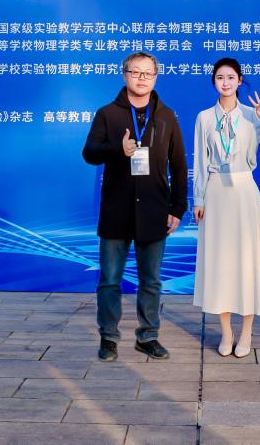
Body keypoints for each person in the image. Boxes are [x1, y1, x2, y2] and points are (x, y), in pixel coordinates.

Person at [82, 52, 188, 362]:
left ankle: (148, 336)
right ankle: (109, 338)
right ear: (124, 74)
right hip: (116, 211)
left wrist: (177, 208)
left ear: (156, 77)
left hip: (154, 210)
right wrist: (118, 149)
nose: (142, 78)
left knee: (151, 280)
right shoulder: (107, 114)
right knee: (109, 280)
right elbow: (89, 152)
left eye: (148, 73)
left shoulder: (167, 117)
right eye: (136, 72)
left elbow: (179, 166)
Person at [192, 58, 260, 358]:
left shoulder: (252, 115)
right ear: (213, 82)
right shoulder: (204, 118)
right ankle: (226, 331)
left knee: (246, 262)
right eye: (220, 77)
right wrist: (199, 199)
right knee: (219, 263)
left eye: (231, 77)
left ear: (240, 81)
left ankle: (246, 332)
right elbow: (200, 162)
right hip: (215, 192)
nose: (226, 82)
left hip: (244, 192)